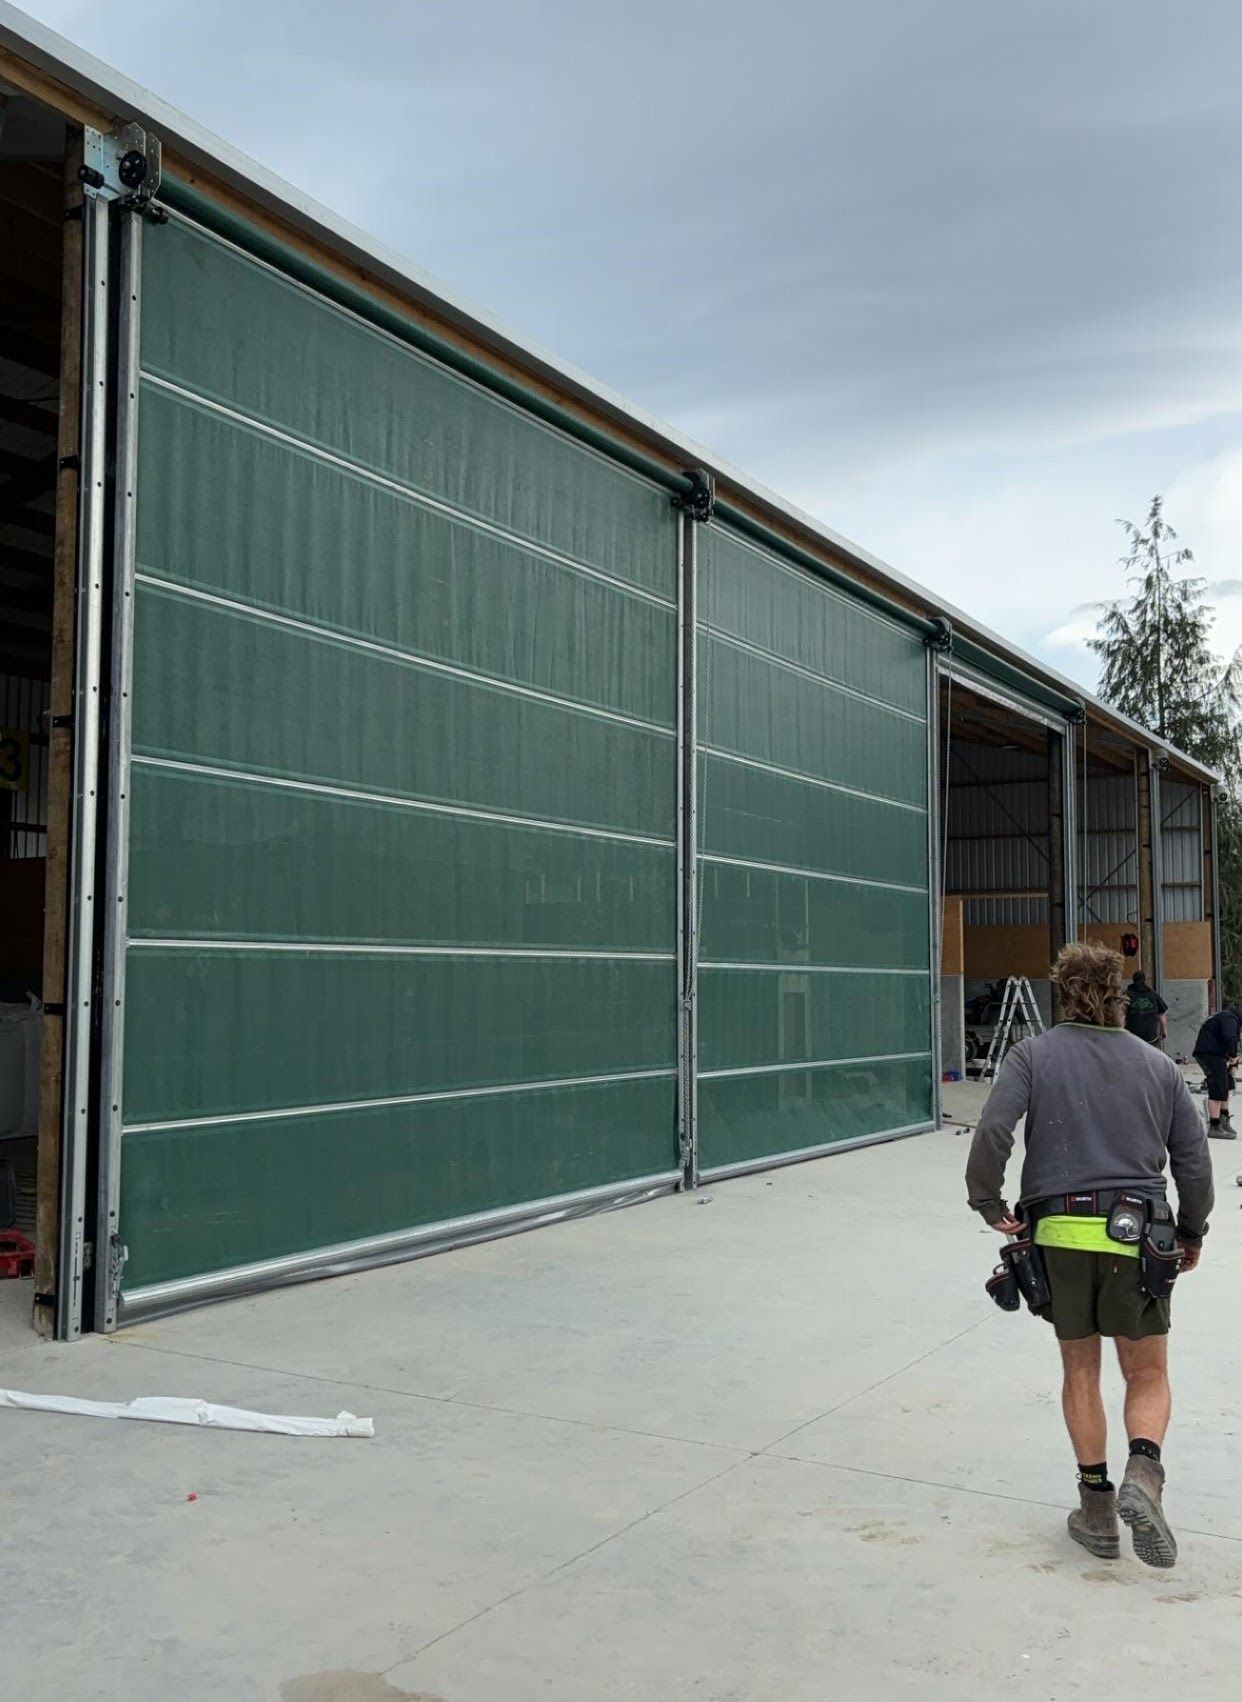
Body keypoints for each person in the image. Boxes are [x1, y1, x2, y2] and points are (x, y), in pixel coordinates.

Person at [966, 940, 1213, 1570]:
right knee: (1148, 1373)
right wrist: (1191, 1232)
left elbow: (994, 1128)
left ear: (1061, 991)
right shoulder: (1156, 1066)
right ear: (1119, 998)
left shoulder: (1031, 1054)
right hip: (1139, 1239)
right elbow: (1193, 1160)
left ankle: (1097, 1510)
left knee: (1081, 1371)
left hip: (1058, 1233)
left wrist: (988, 1201)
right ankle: (1145, 1474)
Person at [1192, 1004, 1242, 1138]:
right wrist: (1233, 1055)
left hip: (1216, 1053)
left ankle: (1223, 1119)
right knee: (1218, 1087)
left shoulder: (1227, 1016)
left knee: (1228, 1084)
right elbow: (1230, 1037)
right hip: (1210, 1054)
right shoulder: (1230, 1018)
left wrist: (1232, 1061)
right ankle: (1214, 1125)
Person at [1124, 969, 1167, 1047]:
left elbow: (1120, 1015)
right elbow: (1162, 1014)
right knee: (1155, 1058)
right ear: (1144, 980)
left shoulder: (1127, 994)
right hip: (1151, 1038)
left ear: (1133, 980)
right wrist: (1163, 1030)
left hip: (1132, 1038)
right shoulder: (1153, 994)